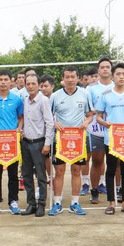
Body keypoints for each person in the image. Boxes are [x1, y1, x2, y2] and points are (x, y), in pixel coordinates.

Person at [96, 63, 124, 215]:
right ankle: (111, 203)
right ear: (113, 76)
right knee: (111, 170)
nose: (121, 77)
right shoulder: (105, 96)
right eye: (118, 74)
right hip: (111, 139)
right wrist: (105, 123)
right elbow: (98, 116)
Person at [49, 66, 92, 215]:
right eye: (67, 77)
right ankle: (57, 203)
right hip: (61, 138)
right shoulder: (55, 96)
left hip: (78, 138)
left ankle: (75, 203)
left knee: (76, 170)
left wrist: (87, 121)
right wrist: (55, 123)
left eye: (73, 76)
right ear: (63, 79)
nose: (70, 80)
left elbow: (90, 114)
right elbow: (48, 117)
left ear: (78, 78)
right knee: (59, 171)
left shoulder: (85, 94)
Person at [0, 70, 24, 215]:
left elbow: (21, 117)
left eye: (5, 79)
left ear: (11, 82)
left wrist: (19, 128)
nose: (3, 82)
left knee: (13, 174)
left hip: (12, 141)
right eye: (0, 79)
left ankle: (13, 201)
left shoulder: (17, 100)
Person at [19, 74, 54, 217]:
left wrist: (47, 143)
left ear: (38, 85)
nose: (30, 86)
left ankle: (42, 204)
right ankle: (31, 203)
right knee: (26, 175)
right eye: (28, 83)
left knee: (41, 176)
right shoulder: (25, 101)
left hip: (39, 143)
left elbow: (50, 123)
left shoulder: (43, 101)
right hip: (26, 143)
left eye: (33, 83)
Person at [87, 58, 114, 203]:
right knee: (97, 161)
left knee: (115, 162)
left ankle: (117, 190)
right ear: (98, 70)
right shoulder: (91, 89)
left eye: (107, 67)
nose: (105, 69)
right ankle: (94, 190)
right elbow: (88, 109)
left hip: (113, 130)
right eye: (102, 67)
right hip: (96, 129)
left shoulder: (117, 86)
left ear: (111, 70)